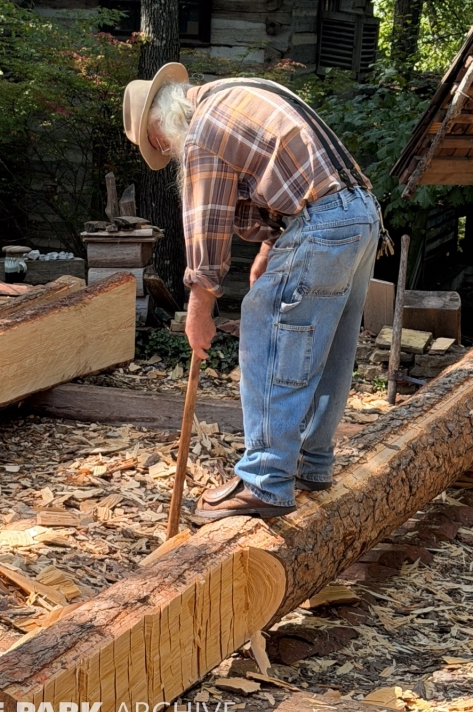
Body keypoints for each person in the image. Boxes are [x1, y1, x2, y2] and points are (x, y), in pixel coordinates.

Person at [123, 63, 380, 521]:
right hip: (360, 214)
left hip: (322, 222)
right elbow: (287, 176)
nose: (167, 152)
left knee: (267, 332)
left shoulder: (202, 131)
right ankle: (311, 463)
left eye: (158, 142)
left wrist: (198, 308)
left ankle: (266, 479)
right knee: (329, 346)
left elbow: (206, 223)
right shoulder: (245, 93)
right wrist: (268, 249)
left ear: (164, 118)